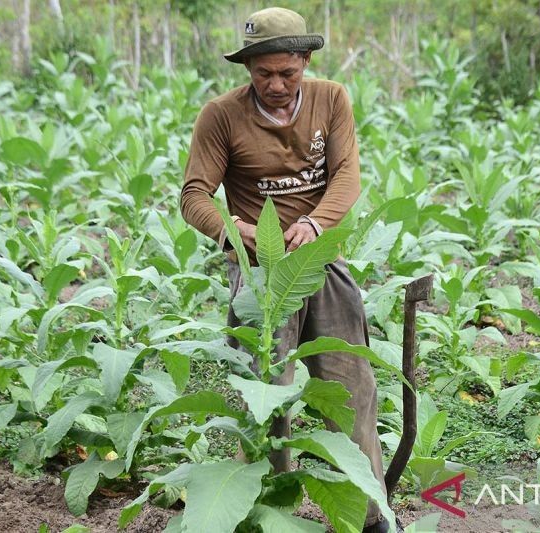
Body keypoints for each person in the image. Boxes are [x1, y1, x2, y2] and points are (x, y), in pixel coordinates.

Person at [180, 7, 395, 532]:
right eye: (263, 74)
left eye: (287, 73)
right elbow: (193, 197)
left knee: (351, 389)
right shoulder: (221, 116)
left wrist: (318, 225)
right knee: (266, 394)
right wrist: (235, 230)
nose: (275, 84)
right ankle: (275, 515)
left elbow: (347, 176)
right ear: (248, 68)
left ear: (305, 61)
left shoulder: (332, 99)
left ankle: (372, 517)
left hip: (321, 262)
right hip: (259, 276)